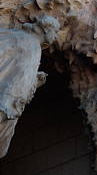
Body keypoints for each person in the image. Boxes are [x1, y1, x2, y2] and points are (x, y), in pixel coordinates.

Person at [0, 16, 60, 157]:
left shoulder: (28, 42)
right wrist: (6, 105)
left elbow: (19, 74)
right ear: (46, 29)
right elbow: (16, 78)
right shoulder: (30, 44)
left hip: (11, 104)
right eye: (55, 31)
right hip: (7, 103)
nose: (56, 36)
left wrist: (34, 79)